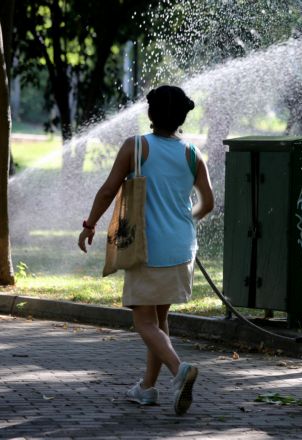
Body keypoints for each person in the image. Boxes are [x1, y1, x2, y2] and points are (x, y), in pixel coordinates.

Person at [77, 85, 214, 415]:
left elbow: (109, 189)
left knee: (143, 321)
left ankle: (180, 370)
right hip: (181, 248)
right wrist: (184, 222)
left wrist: (90, 224)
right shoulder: (193, 154)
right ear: (181, 117)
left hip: (146, 248)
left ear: (151, 114)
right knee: (159, 320)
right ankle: (147, 389)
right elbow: (207, 204)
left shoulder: (136, 147)